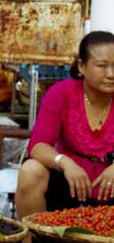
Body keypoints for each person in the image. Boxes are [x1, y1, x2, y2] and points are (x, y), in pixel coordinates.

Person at [17, 31, 114, 216]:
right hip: (69, 187)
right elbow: (37, 147)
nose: (111, 74)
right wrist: (65, 163)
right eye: (102, 66)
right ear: (81, 66)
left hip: (110, 191)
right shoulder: (61, 94)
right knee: (31, 170)